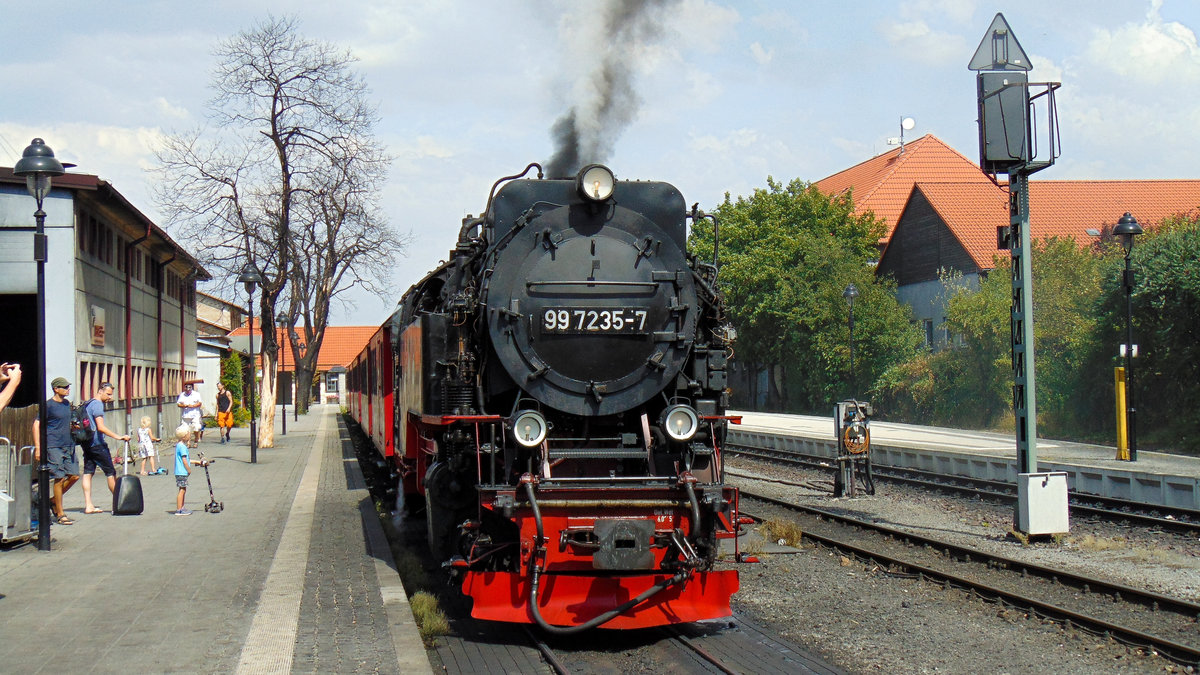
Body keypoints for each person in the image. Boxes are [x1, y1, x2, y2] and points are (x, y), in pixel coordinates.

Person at [32, 376, 79, 525]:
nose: (67, 389)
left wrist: (74, 427)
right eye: (64, 387)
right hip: (53, 445)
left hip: (68, 445)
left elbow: (66, 422)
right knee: (59, 478)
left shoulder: (66, 404)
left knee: (74, 476)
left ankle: (52, 501)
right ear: (56, 389)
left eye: (68, 387)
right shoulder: (48, 405)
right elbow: (36, 425)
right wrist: (39, 448)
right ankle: (60, 513)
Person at [81, 382, 131, 515]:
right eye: (108, 394)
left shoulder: (88, 403)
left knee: (88, 472)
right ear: (100, 391)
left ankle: (88, 505)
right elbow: (101, 427)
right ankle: (120, 503)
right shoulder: (97, 405)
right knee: (110, 472)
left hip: (87, 443)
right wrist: (119, 437)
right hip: (97, 444)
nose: (110, 397)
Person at [173, 424, 208, 516]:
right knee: (182, 490)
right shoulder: (183, 447)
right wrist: (188, 469)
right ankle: (179, 509)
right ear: (185, 436)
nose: (190, 435)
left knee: (183, 489)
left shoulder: (178, 446)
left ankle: (182, 507)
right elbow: (185, 460)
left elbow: (187, 460)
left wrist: (197, 462)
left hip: (179, 471)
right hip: (182, 471)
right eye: (189, 434)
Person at [177, 383, 203, 448]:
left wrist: (193, 406)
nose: (188, 390)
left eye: (189, 388)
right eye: (186, 388)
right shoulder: (182, 395)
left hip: (195, 414)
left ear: (191, 388)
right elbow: (178, 404)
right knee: (186, 429)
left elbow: (199, 403)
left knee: (196, 427)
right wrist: (184, 405)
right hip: (186, 415)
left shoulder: (196, 394)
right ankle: (188, 442)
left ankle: (196, 440)